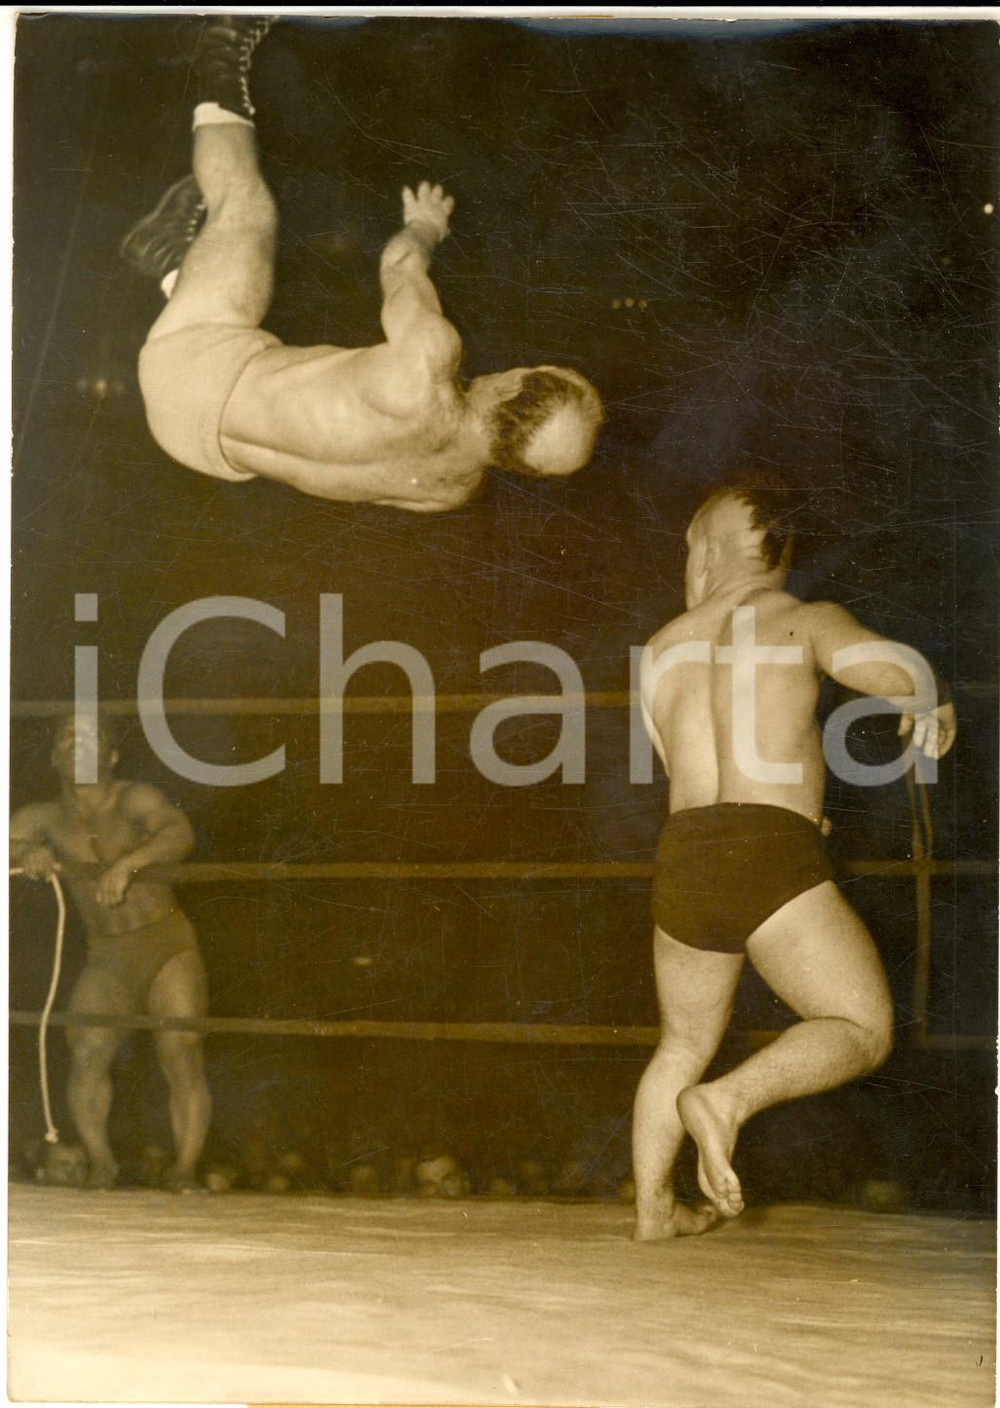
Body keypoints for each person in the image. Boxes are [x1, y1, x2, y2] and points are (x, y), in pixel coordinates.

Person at [631, 483, 956, 1241]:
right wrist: (930, 695)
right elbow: (887, 670)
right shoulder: (802, 619)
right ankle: (730, 1100)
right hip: (770, 849)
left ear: (708, 551)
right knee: (861, 1025)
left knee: (679, 1044)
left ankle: (652, 1212)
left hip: (686, 851)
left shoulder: (659, 649)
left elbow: (671, 757)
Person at [121, 16, 603, 510]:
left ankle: (222, 44)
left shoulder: (429, 359)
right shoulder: (449, 491)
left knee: (246, 208)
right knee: (272, 393)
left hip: (197, 359)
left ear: (510, 387)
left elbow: (399, 264)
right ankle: (168, 258)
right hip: (195, 445)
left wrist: (426, 226)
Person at [10, 715, 210, 1192]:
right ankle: (102, 1163)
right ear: (54, 757)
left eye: (89, 738)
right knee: (87, 1051)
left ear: (112, 755)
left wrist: (129, 863)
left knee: (180, 1051)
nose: (76, 746)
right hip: (107, 955)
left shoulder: (134, 798)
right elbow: (9, 838)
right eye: (66, 739)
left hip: (165, 942)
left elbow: (179, 833)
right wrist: (25, 854)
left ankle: (185, 1169)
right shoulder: (44, 816)